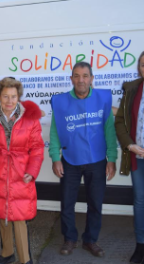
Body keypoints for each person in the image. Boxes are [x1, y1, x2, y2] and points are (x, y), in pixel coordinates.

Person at [49, 62, 117, 257]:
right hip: (70, 160)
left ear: (91, 78)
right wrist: (55, 157)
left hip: (97, 161)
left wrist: (111, 158)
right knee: (67, 203)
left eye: (85, 76)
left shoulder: (102, 99)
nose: (81, 80)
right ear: (71, 79)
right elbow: (54, 132)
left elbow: (109, 132)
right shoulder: (61, 103)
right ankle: (69, 238)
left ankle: (90, 240)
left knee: (95, 203)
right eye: (77, 76)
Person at [0, 77, 44, 264]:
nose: (9, 101)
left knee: (19, 218)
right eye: (5, 96)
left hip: (20, 173)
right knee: (2, 215)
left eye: (13, 96)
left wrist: (32, 171)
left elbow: (38, 148)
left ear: (19, 97)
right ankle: (7, 254)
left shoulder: (30, 119)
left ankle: (25, 259)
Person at [115, 51, 144, 264]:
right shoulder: (132, 89)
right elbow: (121, 121)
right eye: (143, 65)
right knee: (140, 201)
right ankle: (141, 246)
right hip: (138, 157)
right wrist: (130, 145)